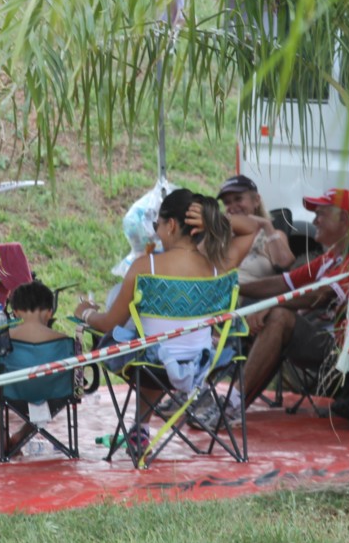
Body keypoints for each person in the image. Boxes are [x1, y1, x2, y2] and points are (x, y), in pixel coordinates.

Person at [74, 188, 258, 450]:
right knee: (154, 343)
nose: (157, 232)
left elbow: (108, 324)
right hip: (204, 365)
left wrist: (85, 312)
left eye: (157, 225)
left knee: (131, 343)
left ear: (171, 225)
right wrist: (215, 220)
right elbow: (250, 228)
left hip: (151, 367)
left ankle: (140, 428)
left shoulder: (145, 266)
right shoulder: (218, 265)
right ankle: (141, 427)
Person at [236, 188, 349, 420]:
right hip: (321, 341)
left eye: (320, 214)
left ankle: (232, 399)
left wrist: (271, 305)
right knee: (261, 307)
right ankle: (230, 401)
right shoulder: (332, 256)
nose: (314, 221)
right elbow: (283, 283)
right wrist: (233, 286)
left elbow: (319, 295)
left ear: (343, 219)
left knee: (280, 316)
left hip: (339, 351)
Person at [0, 280, 70, 453]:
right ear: (50, 312)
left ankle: (2, 435)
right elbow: (75, 379)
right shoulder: (65, 341)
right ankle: (24, 434)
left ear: (16, 312)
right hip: (54, 395)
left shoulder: (5, 339)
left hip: (14, 395)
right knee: (64, 392)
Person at [217, 174, 297, 284]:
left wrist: (267, 226)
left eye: (238, 199)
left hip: (251, 297)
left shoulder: (269, 234)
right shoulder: (221, 236)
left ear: (256, 200)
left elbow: (285, 263)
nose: (232, 206)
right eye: (227, 202)